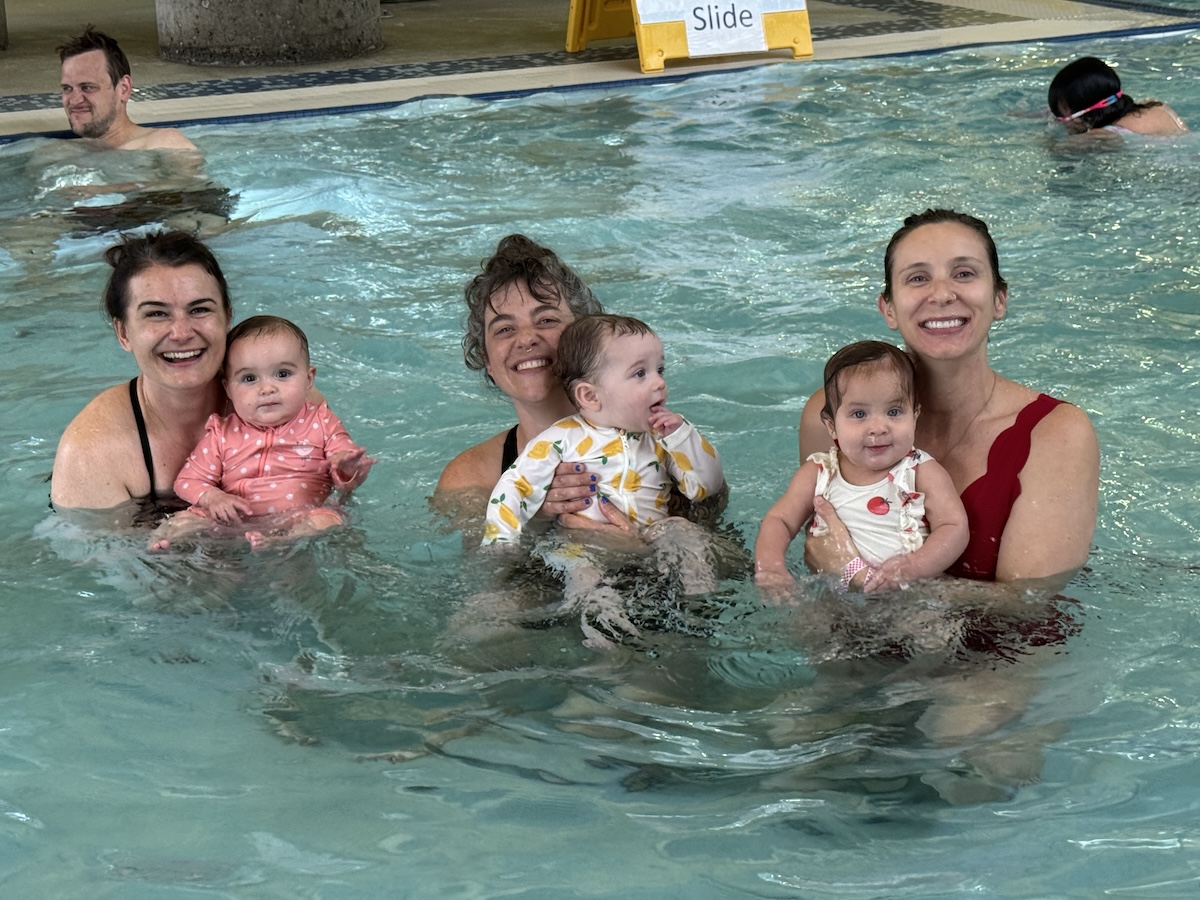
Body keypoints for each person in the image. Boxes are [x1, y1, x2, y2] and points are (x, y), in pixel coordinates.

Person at [482, 314, 725, 646]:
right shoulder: (562, 438)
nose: (658, 383)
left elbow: (703, 486)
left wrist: (682, 436)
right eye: (640, 374)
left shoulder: (661, 436)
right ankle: (600, 638)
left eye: (660, 370)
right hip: (578, 545)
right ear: (591, 397)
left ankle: (700, 606)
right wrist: (501, 540)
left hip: (649, 536)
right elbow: (516, 486)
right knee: (585, 575)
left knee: (682, 531)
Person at [435, 234, 621, 532]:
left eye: (546, 320)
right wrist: (532, 518)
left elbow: (719, 558)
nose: (526, 339)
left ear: (586, 337)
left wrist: (638, 549)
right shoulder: (472, 480)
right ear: (487, 361)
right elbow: (482, 576)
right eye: (505, 329)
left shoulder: (656, 441)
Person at [756, 340, 968, 598]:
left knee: (931, 631)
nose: (878, 427)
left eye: (893, 411)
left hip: (906, 596)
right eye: (859, 414)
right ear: (831, 426)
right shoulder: (820, 472)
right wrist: (771, 567)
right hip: (832, 596)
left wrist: (915, 566)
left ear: (915, 415)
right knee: (811, 625)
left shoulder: (920, 472)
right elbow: (780, 520)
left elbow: (954, 527)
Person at [51, 231, 234, 526]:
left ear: (227, 317)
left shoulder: (285, 402)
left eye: (200, 310)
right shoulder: (91, 453)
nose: (182, 333)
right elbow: (107, 565)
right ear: (123, 333)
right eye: (156, 314)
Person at [149, 316, 374, 551]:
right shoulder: (222, 433)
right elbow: (187, 481)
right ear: (228, 389)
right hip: (230, 520)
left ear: (309, 379)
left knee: (326, 520)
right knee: (185, 519)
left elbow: (343, 454)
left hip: (298, 517)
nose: (267, 388)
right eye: (249, 379)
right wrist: (213, 498)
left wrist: (346, 467)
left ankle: (281, 542)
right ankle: (165, 545)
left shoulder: (322, 421)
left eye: (283, 374)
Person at [58, 26, 198, 152]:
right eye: (67, 88)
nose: (75, 100)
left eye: (87, 87)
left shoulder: (163, 143)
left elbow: (188, 181)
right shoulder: (59, 152)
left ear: (123, 89)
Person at [1048, 56, 1188, 137]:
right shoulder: (1156, 106)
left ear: (1080, 114)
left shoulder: (1103, 136)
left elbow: (1055, 151)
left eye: (1063, 112)